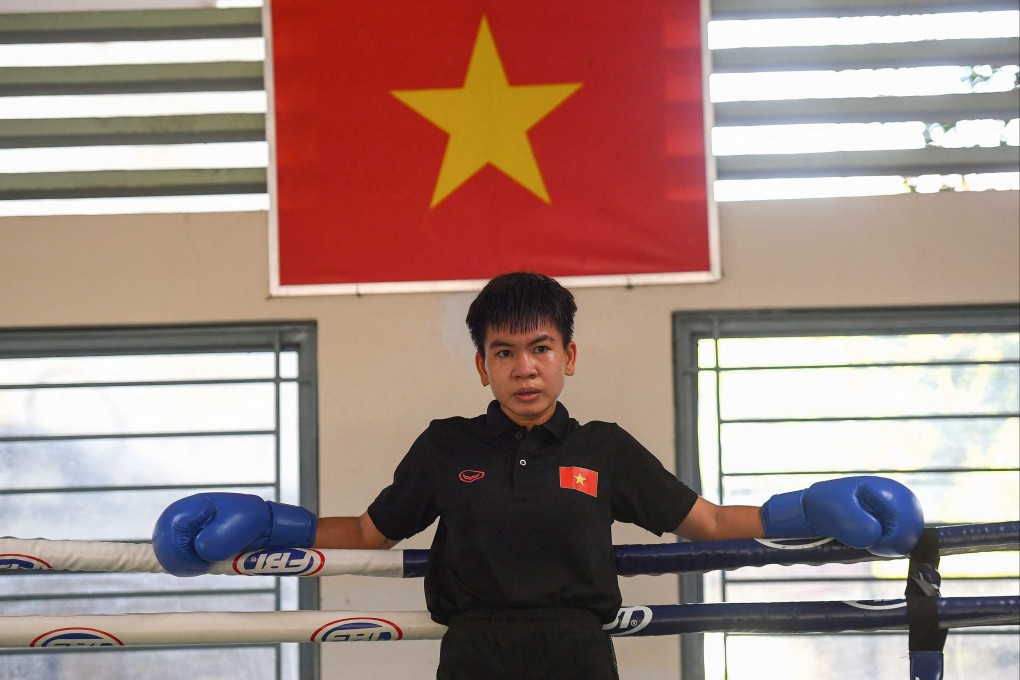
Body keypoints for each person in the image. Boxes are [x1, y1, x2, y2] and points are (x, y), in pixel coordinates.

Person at [152, 272, 925, 679]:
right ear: (483, 365)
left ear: (568, 357)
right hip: (476, 649)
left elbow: (713, 523)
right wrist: (266, 522)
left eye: (542, 348)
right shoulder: (447, 445)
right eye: (505, 352)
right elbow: (367, 532)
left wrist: (809, 508)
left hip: (577, 650)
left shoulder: (605, 448)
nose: (525, 368)